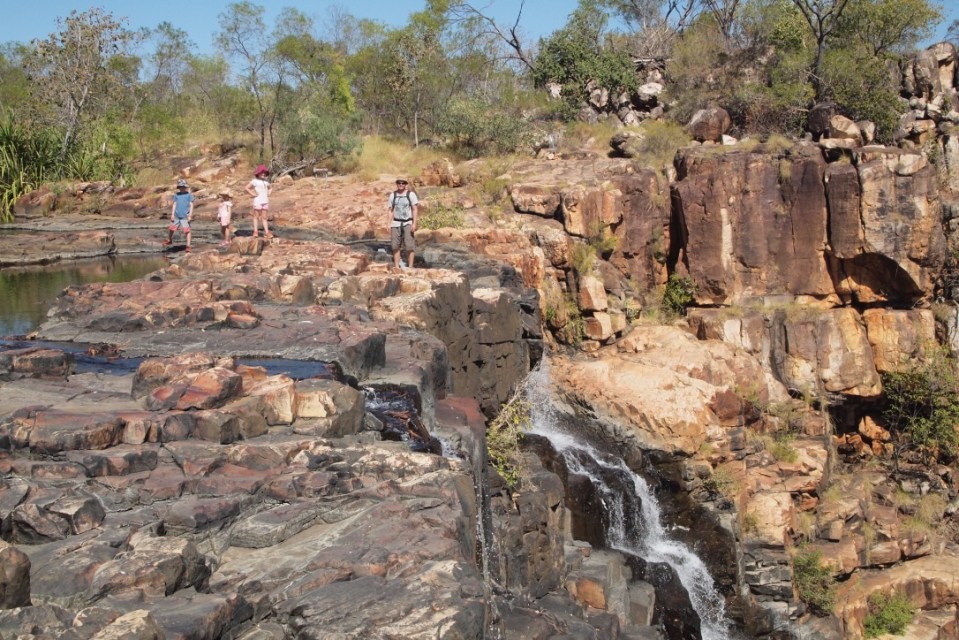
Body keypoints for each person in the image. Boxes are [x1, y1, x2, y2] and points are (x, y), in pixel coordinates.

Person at [387, 178, 418, 269]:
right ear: (396, 184)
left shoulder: (411, 195)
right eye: (399, 183)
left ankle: (410, 267)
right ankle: (397, 267)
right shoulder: (393, 195)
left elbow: (415, 209)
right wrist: (388, 223)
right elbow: (390, 210)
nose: (401, 184)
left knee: (409, 246)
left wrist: (414, 223)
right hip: (396, 223)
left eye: (403, 183)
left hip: (408, 222)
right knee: (395, 246)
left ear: (406, 184)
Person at [164, 178, 194, 252]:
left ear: (185, 187)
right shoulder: (177, 195)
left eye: (183, 187)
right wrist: (172, 215)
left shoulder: (188, 195)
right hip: (177, 215)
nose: (182, 188)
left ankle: (188, 245)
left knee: (187, 231)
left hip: (185, 216)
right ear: (179, 188)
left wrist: (190, 215)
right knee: (171, 228)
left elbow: (191, 205)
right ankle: (169, 240)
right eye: (180, 187)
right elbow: (174, 204)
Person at [245, 164, 273, 239]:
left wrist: (269, 193)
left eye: (264, 173)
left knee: (264, 217)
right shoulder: (255, 181)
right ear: (258, 173)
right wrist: (253, 194)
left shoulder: (266, 182)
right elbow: (247, 187)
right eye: (262, 172)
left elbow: (270, 188)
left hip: (265, 201)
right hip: (258, 201)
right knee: (256, 216)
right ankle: (255, 231)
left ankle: (267, 232)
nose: (263, 174)